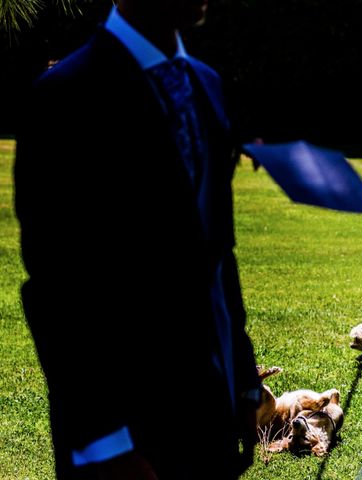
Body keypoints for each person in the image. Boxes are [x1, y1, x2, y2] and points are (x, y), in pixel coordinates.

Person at [14, 0, 261, 478]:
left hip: (211, 416)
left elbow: (216, 254)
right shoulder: (66, 95)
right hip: (125, 433)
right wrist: (107, 444)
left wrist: (243, 380)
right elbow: (55, 289)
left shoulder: (206, 84)